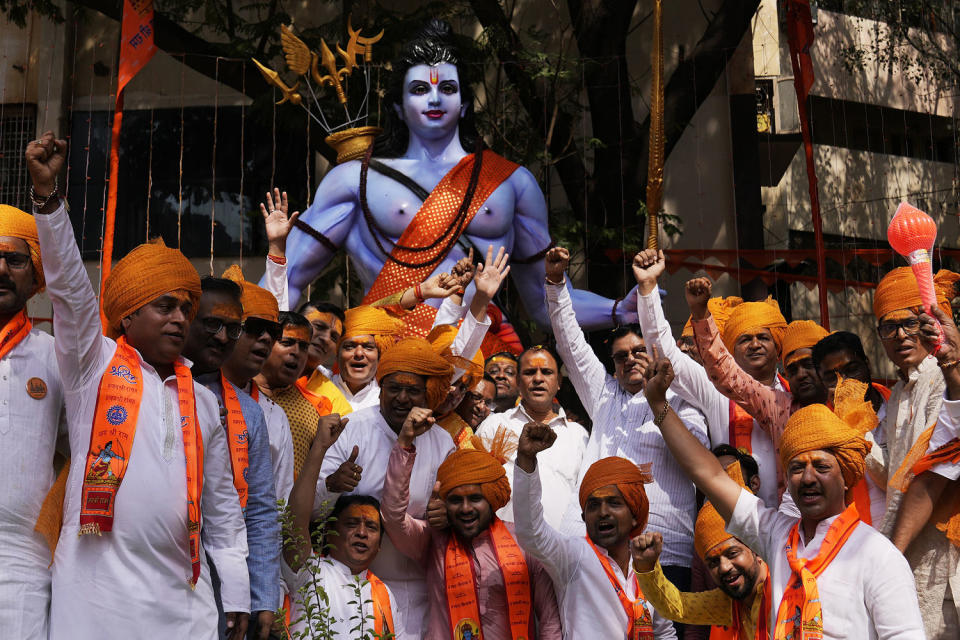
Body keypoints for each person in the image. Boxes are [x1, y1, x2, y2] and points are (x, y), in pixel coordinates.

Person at [279, 18, 637, 335]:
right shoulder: (355, 181)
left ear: (464, 104)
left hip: (486, 358)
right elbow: (289, 279)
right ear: (398, 108)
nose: (435, 98)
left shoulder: (512, 182)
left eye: (447, 88)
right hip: (392, 359)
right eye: (420, 89)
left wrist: (620, 309)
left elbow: (546, 305)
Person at [28, 132, 250, 639]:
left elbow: (221, 507)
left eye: (186, 309)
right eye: (165, 306)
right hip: (96, 595)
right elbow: (68, 290)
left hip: (183, 600)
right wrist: (48, 198)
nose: (179, 318)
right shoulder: (94, 364)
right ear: (127, 314)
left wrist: (235, 591)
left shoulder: (206, 403)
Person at [645, 348, 925, 638]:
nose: (807, 478)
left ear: (846, 478)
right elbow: (709, 475)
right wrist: (659, 406)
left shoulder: (878, 555)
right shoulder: (777, 536)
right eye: (796, 468)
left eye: (821, 466)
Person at [545, 246, 709, 596]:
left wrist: (658, 400)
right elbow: (570, 344)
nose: (630, 360)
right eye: (621, 357)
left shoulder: (684, 401)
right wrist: (556, 284)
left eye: (639, 352)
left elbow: (698, 461)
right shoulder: (604, 396)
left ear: (655, 353)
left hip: (665, 549)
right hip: (594, 547)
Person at [311, 337, 456, 637]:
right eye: (393, 389)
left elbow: (448, 522)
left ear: (427, 395)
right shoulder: (351, 429)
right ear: (380, 390)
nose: (402, 398)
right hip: (350, 587)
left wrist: (445, 515)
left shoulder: (442, 443)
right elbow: (309, 509)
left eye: (413, 390)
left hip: (418, 592)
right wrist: (332, 485)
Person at [633, 250, 788, 509]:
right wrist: (648, 288)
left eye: (763, 337)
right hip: (732, 525)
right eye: (744, 339)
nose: (754, 345)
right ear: (729, 349)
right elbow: (667, 354)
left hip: (790, 524)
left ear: (777, 345)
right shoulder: (717, 390)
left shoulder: (793, 395)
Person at [380, 435, 562, 638]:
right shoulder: (434, 540)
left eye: (475, 498)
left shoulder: (524, 542)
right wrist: (404, 446)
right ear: (445, 504)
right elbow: (392, 518)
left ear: (492, 499)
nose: (466, 508)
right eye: (456, 500)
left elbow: (549, 620)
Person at [182, 276, 283, 639]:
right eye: (212, 324)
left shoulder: (249, 413)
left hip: (227, 588)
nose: (223, 337)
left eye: (234, 329)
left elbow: (258, 511)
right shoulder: (143, 390)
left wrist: (263, 598)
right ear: (185, 319)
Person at [513, 422, 677, 638]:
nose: (603, 512)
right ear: (583, 517)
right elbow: (531, 531)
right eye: (593, 506)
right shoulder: (573, 556)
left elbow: (664, 633)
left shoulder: (647, 565)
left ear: (635, 515)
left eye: (614, 503)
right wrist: (526, 460)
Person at [866, 267, 960, 637]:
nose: (901, 335)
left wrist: (891, 552)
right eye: (889, 327)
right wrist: (858, 439)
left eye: (910, 323)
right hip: (907, 554)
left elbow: (934, 471)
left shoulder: (945, 379)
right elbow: (894, 476)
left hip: (944, 556)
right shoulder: (901, 392)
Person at [0, 202, 65, 639]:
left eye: (15, 259)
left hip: (23, 557)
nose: (1, 269)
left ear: (36, 275)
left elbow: (81, 450)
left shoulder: (56, 358)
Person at [284, 414, 401, 638]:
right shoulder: (310, 572)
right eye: (351, 523)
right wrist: (320, 446)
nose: (362, 533)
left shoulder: (385, 594)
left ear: (379, 546)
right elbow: (296, 519)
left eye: (372, 527)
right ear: (328, 533)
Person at [633, 463, 771, 640]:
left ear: (755, 548)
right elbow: (677, 606)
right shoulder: (727, 603)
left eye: (732, 553)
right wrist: (647, 568)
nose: (724, 567)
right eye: (713, 562)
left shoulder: (784, 584)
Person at [476, 346, 589, 528]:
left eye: (546, 372)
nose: (538, 379)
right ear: (519, 382)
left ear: (558, 381)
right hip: (505, 547)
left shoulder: (578, 434)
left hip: (563, 547)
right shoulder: (494, 426)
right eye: (529, 372)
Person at [220, 266, 295, 507]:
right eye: (253, 328)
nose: (265, 338)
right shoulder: (190, 394)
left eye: (273, 332)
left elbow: (278, 503)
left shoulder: (274, 415)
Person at [254, 311, 332, 477]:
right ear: (265, 343)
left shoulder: (316, 409)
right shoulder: (236, 390)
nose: (296, 352)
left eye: (304, 347)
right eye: (287, 342)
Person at [811, 331, 889, 412]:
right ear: (821, 383)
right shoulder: (821, 423)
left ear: (868, 365)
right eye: (832, 378)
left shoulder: (897, 402)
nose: (845, 382)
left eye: (852, 370)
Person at [440, 374, 496, 447]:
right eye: (475, 397)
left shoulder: (487, 443)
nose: (481, 407)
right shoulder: (432, 419)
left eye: (488, 403)